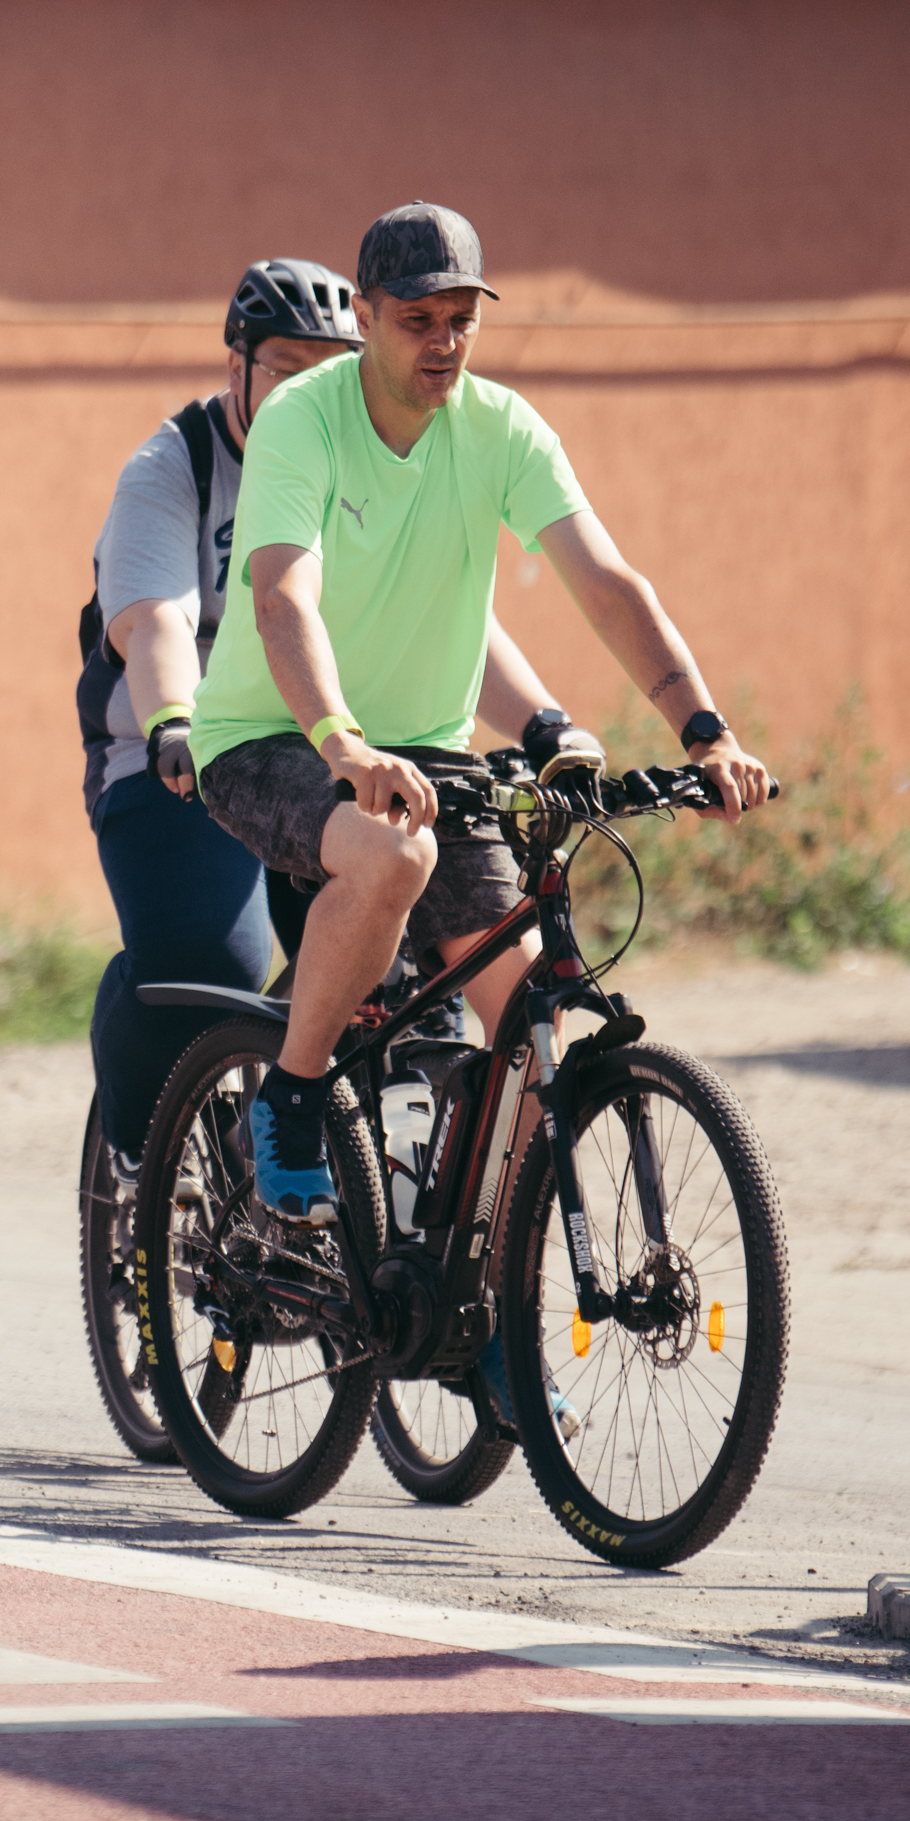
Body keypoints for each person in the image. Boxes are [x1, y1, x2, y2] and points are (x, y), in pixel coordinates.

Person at [190, 203, 774, 1224]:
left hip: (427, 758)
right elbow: (282, 595)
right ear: (366, 315)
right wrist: (345, 743)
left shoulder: (501, 428)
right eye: (419, 319)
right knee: (390, 857)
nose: (445, 342)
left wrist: (705, 731)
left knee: (532, 1028)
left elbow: (606, 583)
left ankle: (484, 1300)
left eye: (463, 318)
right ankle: (287, 1097)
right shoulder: (303, 419)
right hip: (272, 738)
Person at [80, 258, 578, 1178]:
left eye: (326, 363)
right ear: (236, 365)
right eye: (283, 364)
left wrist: (545, 722)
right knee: (203, 969)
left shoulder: (371, 441)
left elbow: (458, 623)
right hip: (180, 744)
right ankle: (144, 1154)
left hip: (334, 741)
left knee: (414, 973)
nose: (308, 384)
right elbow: (155, 621)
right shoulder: (174, 467)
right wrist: (175, 724)